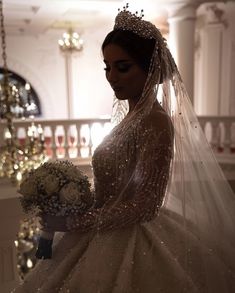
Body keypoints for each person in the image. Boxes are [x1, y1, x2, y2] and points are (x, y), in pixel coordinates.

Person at [13, 4, 235, 293]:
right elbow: (113, 187)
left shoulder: (156, 122)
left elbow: (146, 206)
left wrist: (75, 221)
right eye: (107, 67)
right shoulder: (127, 119)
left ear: (150, 69)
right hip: (101, 229)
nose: (112, 77)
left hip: (132, 240)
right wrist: (68, 203)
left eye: (123, 67)